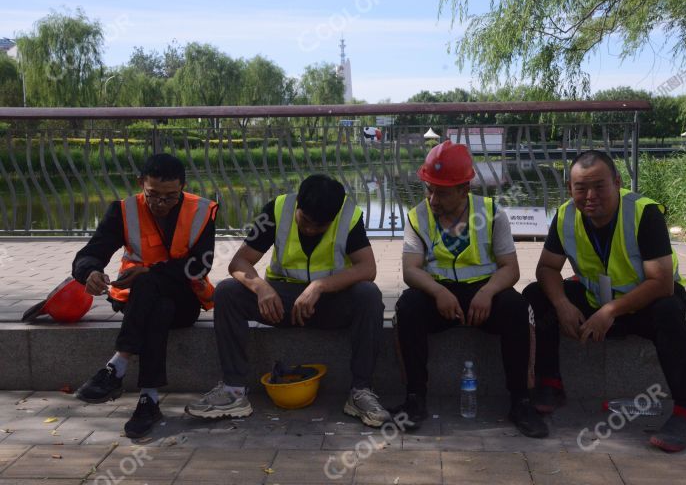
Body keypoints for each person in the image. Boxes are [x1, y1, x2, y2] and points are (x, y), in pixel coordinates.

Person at [522, 150, 686, 452]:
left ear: (617, 182)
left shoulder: (644, 213)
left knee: (670, 309)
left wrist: (610, 310)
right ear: (570, 189)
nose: (590, 195)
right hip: (598, 301)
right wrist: (562, 305)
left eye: (600, 186)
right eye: (581, 188)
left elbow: (661, 282)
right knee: (534, 295)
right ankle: (550, 384)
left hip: (644, 303)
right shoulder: (566, 215)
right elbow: (546, 269)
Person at [185, 174, 390, 427]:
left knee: (369, 295)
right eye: (305, 221)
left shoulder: (348, 215)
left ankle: (361, 393)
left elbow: (367, 269)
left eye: (320, 226)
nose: (310, 229)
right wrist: (261, 288)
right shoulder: (277, 209)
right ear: (298, 206)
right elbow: (239, 262)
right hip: (279, 303)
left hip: (328, 304)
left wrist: (320, 286)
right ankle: (233, 391)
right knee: (227, 291)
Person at [392, 140, 548, 438]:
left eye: (443, 191)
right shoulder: (417, 216)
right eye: (429, 188)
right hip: (438, 295)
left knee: (518, 309)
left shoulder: (492, 213)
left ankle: (521, 401)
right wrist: (437, 292)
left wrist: (488, 292)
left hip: (483, 295)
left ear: (465, 189)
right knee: (407, 307)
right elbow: (411, 269)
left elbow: (510, 268)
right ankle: (415, 399)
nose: (433, 199)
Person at [72, 153, 217, 439]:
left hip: (184, 301)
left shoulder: (202, 210)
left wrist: (148, 271)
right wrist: (89, 273)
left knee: (151, 286)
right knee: (157, 306)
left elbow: (200, 264)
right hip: (139, 302)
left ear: (183, 188)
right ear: (141, 184)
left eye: (170, 197)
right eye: (153, 196)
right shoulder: (124, 210)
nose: (161, 204)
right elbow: (90, 254)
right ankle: (147, 398)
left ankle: (118, 364)